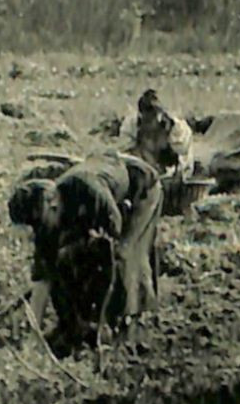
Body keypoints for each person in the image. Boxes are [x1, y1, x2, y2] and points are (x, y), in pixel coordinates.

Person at [9, 151, 163, 355]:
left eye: (42, 222)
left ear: (51, 203)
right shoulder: (47, 221)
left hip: (141, 187)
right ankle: (77, 324)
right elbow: (43, 280)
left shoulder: (90, 191)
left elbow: (112, 238)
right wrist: (34, 335)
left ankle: (127, 324)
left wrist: (101, 316)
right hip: (106, 177)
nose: (42, 230)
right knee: (70, 259)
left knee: (125, 255)